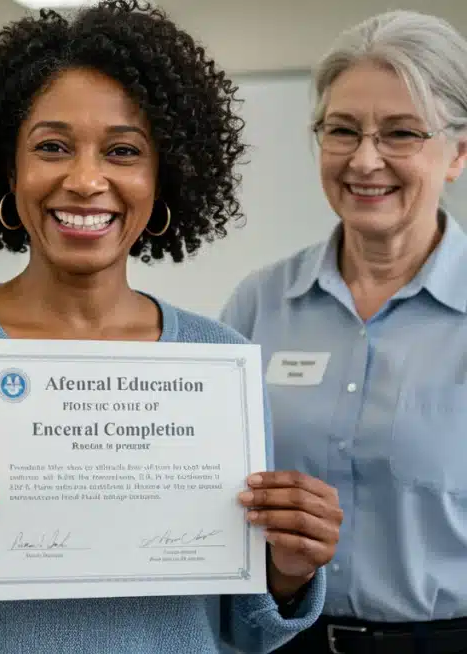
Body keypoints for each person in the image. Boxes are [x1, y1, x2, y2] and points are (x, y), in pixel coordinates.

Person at [0, 2, 343, 652]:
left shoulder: (217, 364)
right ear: (8, 168)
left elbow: (242, 630)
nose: (86, 180)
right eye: (52, 147)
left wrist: (289, 568)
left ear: (161, 175)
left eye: (123, 151)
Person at [220, 10, 467, 653]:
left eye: (401, 133)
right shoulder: (258, 304)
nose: (365, 160)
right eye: (342, 131)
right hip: (282, 638)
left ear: (458, 153)